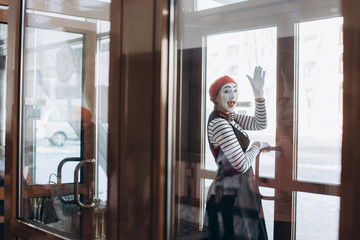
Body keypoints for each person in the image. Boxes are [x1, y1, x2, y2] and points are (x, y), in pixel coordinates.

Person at [206, 66, 269, 240]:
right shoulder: (219, 122)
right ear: (216, 99)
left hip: (236, 188)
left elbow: (259, 124)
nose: (233, 95)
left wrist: (259, 94)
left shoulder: (231, 117)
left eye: (235, 91)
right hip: (229, 191)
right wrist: (257, 145)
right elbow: (241, 164)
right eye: (227, 91)